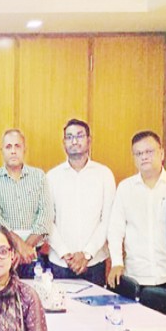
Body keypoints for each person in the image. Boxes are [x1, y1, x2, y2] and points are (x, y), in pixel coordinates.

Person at [46, 119, 115, 285]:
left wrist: (86, 254)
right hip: (60, 263)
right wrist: (65, 254)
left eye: (79, 136)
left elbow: (108, 220)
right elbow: (47, 220)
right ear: (63, 142)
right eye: (69, 137)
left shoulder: (104, 174)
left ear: (89, 140)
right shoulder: (51, 177)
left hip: (94, 262)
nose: (74, 141)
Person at [107, 131, 166, 289]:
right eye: (138, 153)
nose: (144, 157)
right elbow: (115, 230)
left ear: (162, 153)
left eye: (149, 151)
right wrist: (117, 262)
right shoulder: (125, 188)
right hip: (136, 275)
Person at [0, 129, 51, 278]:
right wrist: (19, 246)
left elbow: (45, 216)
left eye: (17, 146)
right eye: (8, 147)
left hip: (34, 255)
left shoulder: (39, 176)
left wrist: (26, 248)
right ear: (2, 150)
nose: (13, 151)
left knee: (34, 292)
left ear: (24, 149)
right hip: (4, 256)